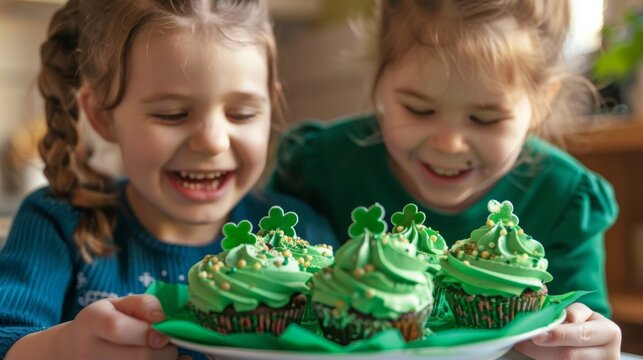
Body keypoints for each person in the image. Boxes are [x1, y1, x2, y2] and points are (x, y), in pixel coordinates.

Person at [269, 0, 622, 358]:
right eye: (419, 109)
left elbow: (582, 330)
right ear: (380, 80)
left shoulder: (565, 199)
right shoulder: (319, 166)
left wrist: (588, 343)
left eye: (485, 119)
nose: (449, 144)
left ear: (541, 104)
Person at [0, 0, 338, 359]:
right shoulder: (56, 224)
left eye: (242, 113)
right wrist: (62, 347)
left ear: (271, 106)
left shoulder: (303, 235)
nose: (213, 141)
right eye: (172, 114)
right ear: (102, 117)